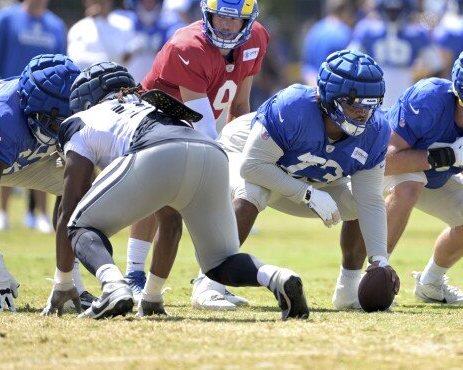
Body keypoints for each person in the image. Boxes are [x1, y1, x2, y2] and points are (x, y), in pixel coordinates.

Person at [41, 61, 309, 321]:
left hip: (157, 151)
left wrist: (64, 281)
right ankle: (277, 277)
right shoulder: (153, 107)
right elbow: (170, 221)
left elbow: (70, 206)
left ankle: (113, 285)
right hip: (211, 152)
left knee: (78, 225)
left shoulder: (81, 120)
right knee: (219, 262)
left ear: (84, 102)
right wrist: (152, 296)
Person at [211, 49, 400, 310]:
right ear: (330, 98)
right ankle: (208, 283)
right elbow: (252, 167)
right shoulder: (293, 107)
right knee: (251, 192)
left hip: (307, 175)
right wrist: (308, 194)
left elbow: (370, 200)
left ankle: (348, 290)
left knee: (359, 205)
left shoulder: (376, 130)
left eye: (370, 105)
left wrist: (380, 260)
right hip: (248, 156)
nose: (362, 114)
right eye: (355, 105)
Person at [124, 0, 269, 310]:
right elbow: (202, 123)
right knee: (162, 196)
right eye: (221, 17)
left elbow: (241, 104)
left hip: (201, 118)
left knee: (240, 188)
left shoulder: (256, 38)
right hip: (158, 117)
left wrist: (245, 148)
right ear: (208, 14)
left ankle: (213, 279)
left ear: (248, 20)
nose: (228, 25)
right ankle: (133, 273)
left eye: (235, 18)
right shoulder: (187, 46)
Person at [338, 46, 463, 308]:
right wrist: (447, 156)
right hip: (387, 166)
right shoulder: (428, 99)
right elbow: (384, 161)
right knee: (410, 185)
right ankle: (371, 277)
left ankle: (430, 283)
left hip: (437, 176)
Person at [0, 53, 82, 312]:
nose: (57, 127)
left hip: (22, 155)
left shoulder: (71, 105)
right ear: (30, 104)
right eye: (52, 119)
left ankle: (70, 279)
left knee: (79, 184)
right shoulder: (1, 117)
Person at [0, 0, 67, 233]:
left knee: (43, 155)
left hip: (44, 104)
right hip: (8, 99)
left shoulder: (56, 25)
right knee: (3, 155)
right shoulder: (7, 19)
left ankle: (41, 213)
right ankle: (3, 212)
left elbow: (63, 65)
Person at [349, 0, 442, 108]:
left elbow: (349, 63)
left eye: (397, 10)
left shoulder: (366, 29)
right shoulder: (418, 34)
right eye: (390, 10)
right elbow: (436, 66)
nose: (393, 14)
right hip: (395, 92)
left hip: (382, 92)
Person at [67, 0, 133, 70]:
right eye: (95, 0)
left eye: (103, 1)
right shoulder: (78, 29)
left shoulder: (125, 24)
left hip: (120, 82)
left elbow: (127, 57)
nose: (100, 6)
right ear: (86, 1)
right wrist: (106, 61)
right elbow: (76, 60)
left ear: (110, 1)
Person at [117, 0, 169, 83]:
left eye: (153, 0)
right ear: (135, 1)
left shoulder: (168, 26)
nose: (149, 5)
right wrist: (129, 50)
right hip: (126, 91)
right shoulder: (121, 22)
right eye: (145, 0)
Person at [300, 0, 354, 86]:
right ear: (345, 11)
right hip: (334, 89)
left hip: (314, 86)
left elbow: (306, 65)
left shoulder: (314, 30)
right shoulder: (344, 33)